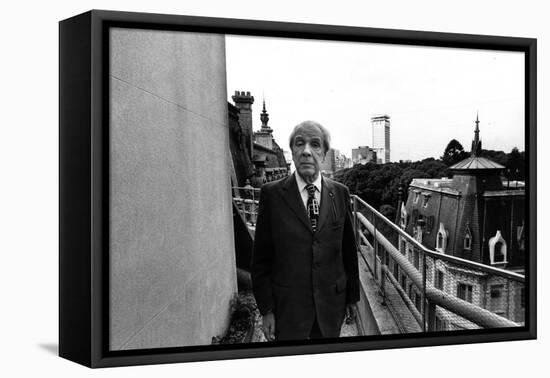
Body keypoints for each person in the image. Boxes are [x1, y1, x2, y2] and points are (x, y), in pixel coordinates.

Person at [251, 120, 360, 341]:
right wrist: (266, 310)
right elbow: (261, 260)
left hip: (331, 307)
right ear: (292, 151)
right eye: (300, 144)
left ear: (324, 153)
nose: (306, 152)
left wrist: (351, 298)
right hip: (288, 311)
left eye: (315, 145)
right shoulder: (272, 195)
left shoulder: (340, 193)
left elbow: (349, 252)